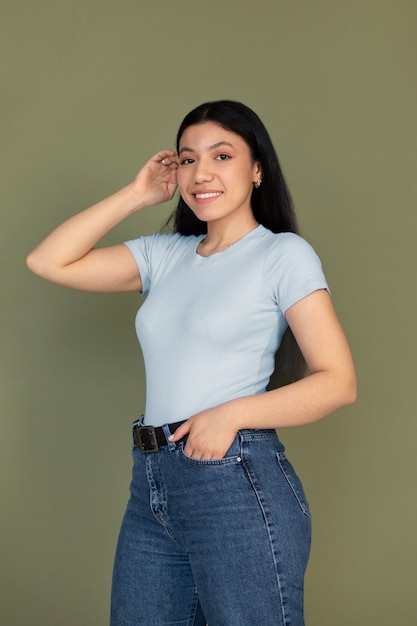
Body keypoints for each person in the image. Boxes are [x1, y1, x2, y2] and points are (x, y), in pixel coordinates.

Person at [26, 100, 356, 626]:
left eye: (222, 156)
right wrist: (137, 194)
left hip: (234, 482)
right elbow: (47, 260)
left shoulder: (282, 255)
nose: (201, 173)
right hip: (152, 482)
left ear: (256, 169)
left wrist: (230, 414)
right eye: (187, 159)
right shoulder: (166, 255)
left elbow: (338, 382)